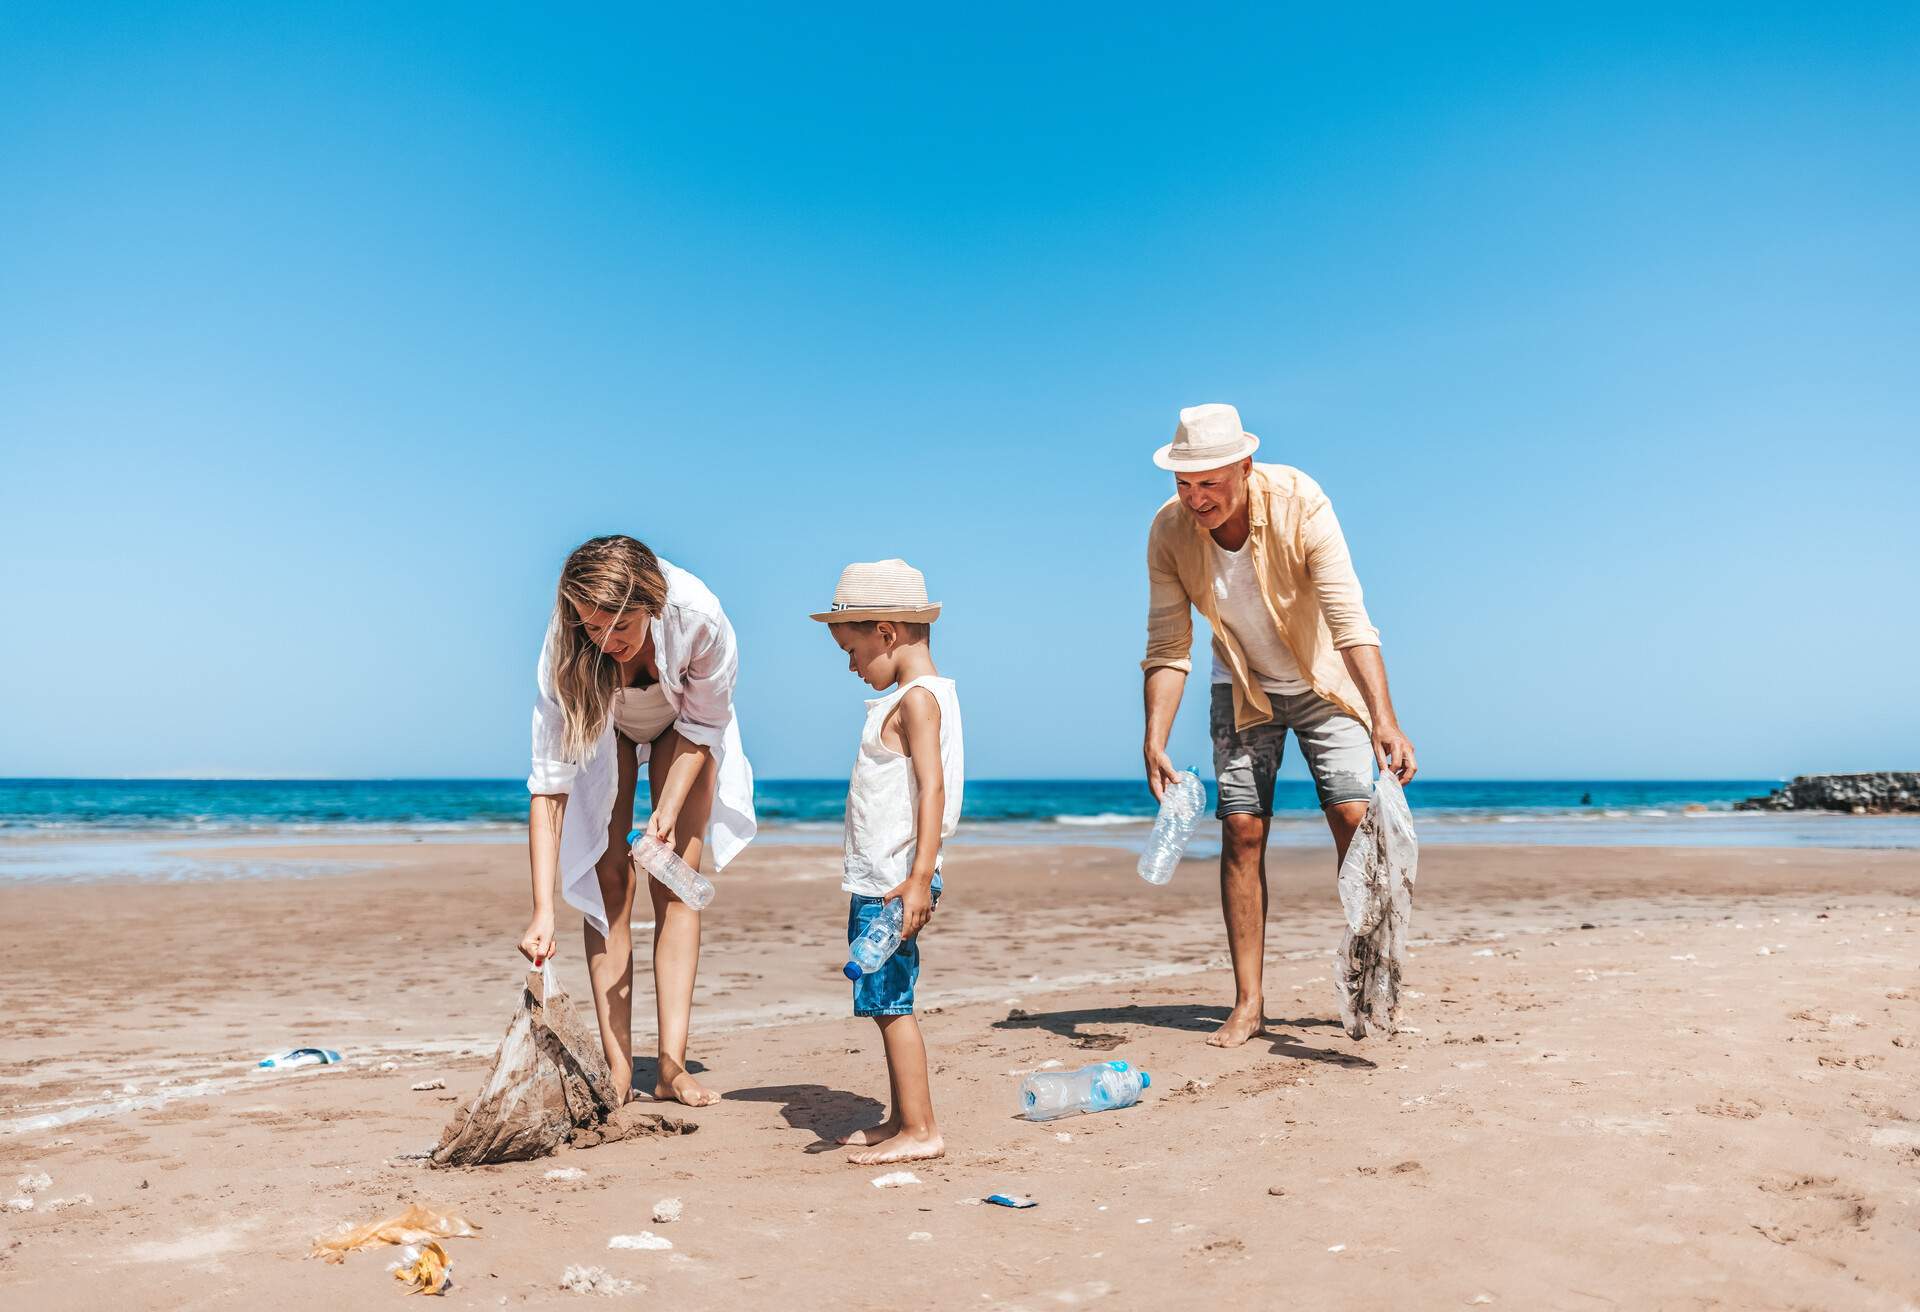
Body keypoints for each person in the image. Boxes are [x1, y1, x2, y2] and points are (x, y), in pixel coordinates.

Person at [1141, 404, 1416, 1048]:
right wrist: (1154, 737)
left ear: (1244, 465)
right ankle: (1249, 1001)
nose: (1196, 498)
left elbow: (1350, 617)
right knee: (1240, 830)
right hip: (1241, 687)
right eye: (1184, 484)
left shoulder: (1300, 500)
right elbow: (1167, 644)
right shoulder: (1168, 533)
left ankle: (1371, 982)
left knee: (1353, 820)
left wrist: (1385, 719)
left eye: (1209, 482)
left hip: (1324, 682)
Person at [519, 534, 756, 1106]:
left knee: (673, 875)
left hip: (686, 727)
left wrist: (666, 814)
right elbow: (549, 787)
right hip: (608, 725)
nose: (605, 640)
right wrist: (543, 909)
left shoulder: (700, 618)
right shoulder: (568, 644)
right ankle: (620, 1068)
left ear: (651, 604)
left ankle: (672, 1065)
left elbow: (703, 726)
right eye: (591, 628)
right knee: (611, 885)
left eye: (619, 629)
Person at [811, 559, 963, 1164]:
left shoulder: (917, 701)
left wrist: (919, 879)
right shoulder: (913, 698)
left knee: (890, 1004)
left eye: (852, 649)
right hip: (888, 879)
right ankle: (901, 1117)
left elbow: (933, 789)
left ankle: (922, 1130)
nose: (850, 665)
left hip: (894, 883)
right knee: (882, 1002)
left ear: (887, 634)